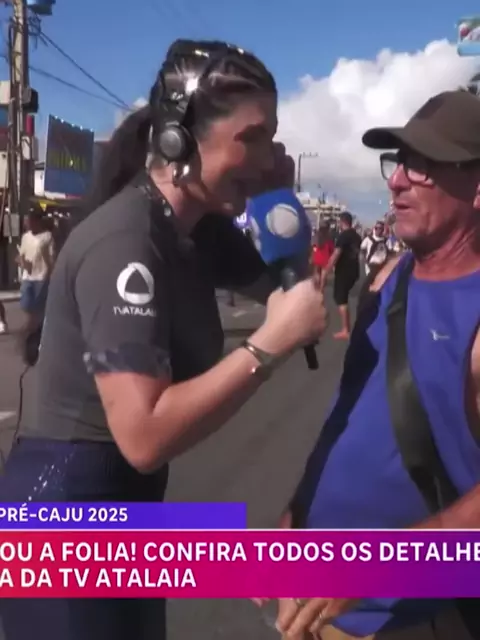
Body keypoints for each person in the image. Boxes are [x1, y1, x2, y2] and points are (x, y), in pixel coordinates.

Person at [0, 39, 327, 640]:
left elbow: (291, 290)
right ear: (178, 139)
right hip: (64, 516)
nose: (267, 156)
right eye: (252, 138)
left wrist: (277, 194)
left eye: (273, 139)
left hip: (125, 508)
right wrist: (267, 345)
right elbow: (145, 436)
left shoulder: (198, 229)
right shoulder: (126, 241)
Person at [264, 89, 480, 640]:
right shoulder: (389, 279)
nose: (398, 180)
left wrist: (379, 568)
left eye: (423, 165)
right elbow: (348, 413)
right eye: (399, 162)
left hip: (413, 616)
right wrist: (297, 510)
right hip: (312, 600)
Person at [321, 211, 361, 340]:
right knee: (341, 298)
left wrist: (327, 270)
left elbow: (336, 254)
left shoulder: (343, 236)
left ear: (342, 221)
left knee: (341, 299)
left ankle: (345, 330)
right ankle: (346, 328)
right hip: (354, 271)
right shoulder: (357, 236)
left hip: (344, 271)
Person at [16, 207, 55, 326]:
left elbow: (51, 258)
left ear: (37, 221)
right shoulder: (25, 237)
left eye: (30, 221)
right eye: (27, 221)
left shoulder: (47, 236)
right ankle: (32, 325)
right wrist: (22, 262)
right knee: (26, 304)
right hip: (27, 276)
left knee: (38, 306)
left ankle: (36, 327)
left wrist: (50, 273)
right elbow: (21, 255)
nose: (28, 224)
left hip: (41, 276)